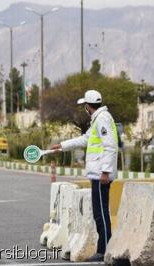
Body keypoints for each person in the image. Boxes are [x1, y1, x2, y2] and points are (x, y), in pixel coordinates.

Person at [51, 89, 118, 262]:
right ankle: (103, 249)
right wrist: (62, 146)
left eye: (85, 106)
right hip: (98, 174)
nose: (85, 109)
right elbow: (85, 139)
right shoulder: (97, 120)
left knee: (101, 213)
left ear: (88, 106)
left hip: (100, 175)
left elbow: (110, 146)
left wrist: (105, 172)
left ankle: (103, 251)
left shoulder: (102, 119)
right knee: (98, 212)